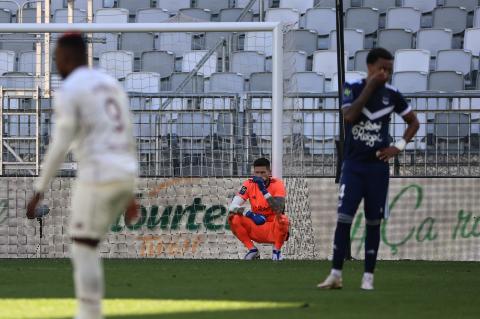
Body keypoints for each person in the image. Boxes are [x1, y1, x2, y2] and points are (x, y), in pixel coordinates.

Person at [26, 33, 139, 319]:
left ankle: (89, 314)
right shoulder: (111, 85)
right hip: (124, 173)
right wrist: (131, 192)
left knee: (83, 247)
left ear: (65, 58)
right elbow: (128, 135)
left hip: (97, 175)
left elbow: (61, 143)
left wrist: (40, 189)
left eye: (56, 59)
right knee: (89, 243)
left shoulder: (71, 88)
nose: (55, 64)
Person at [317, 47, 420, 290]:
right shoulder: (351, 87)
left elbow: (413, 122)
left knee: (374, 222)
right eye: (382, 68)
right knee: (344, 218)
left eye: (389, 70)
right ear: (370, 67)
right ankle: (335, 274)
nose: (385, 73)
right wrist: (370, 87)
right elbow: (349, 117)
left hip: (377, 168)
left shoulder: (393, 94)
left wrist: (398, 146)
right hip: (353, 166)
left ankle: (368, 278)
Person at [228, 157, 290, 260]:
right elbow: (232, 206)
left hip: (273, 227)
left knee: (284, 219)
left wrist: (264, 190)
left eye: (262, 172)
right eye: (257, 173)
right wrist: (250, 214)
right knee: (233, 217)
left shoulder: (277, 184)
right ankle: (253, 250)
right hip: (256, 224)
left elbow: (279, 209)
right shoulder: (248, 184)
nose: (260, 175)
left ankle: (276, 252)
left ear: (269, 172)